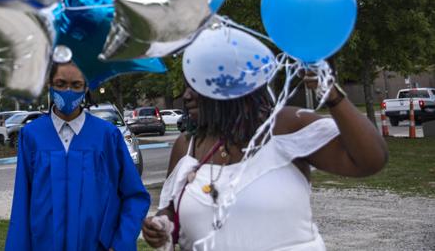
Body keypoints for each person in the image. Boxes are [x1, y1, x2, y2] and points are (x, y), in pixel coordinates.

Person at [142, 75, 388, 250]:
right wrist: (161, 226)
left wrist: (332, 95)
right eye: (186, 85)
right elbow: (171, 212)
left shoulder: (284, 126)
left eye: (197, 84)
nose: (186, 96)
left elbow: (371, 159)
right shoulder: (187, 146)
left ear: (235, 86)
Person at [5, 53, 151, 251]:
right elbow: (22, 202)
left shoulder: (107, 136)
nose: (68, 91)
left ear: (85, 88)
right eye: (61, 83)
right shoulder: (32, 135)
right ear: (49, 84)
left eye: (75, 85)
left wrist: (120, 243)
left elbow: (134, 196)